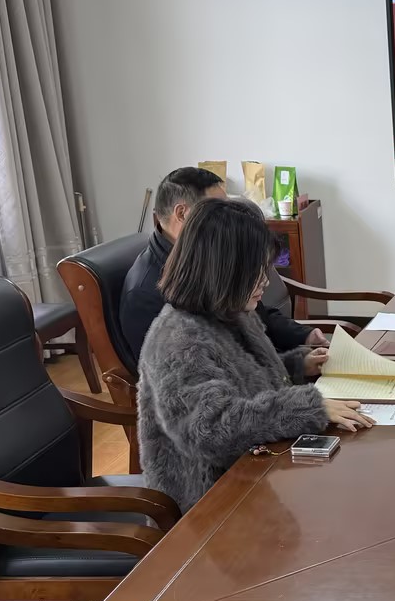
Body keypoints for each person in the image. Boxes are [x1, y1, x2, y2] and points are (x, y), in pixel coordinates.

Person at [137, 197, 374, 510]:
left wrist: (298, 365)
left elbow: (246, 380)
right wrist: (308, 407)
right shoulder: (178, 341)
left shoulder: (231, 310)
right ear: (221, 271)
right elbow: (211, 431)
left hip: (256, 468)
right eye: (255, 270)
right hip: (209, 502)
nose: (265, 280)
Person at [121, 166, 326, 372]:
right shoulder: (144, 293)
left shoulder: (210, 256)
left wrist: (303, 337)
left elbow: (257, 315)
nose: (228, 216)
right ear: (182, 213)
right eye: (217, 209)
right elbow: (185, 375)